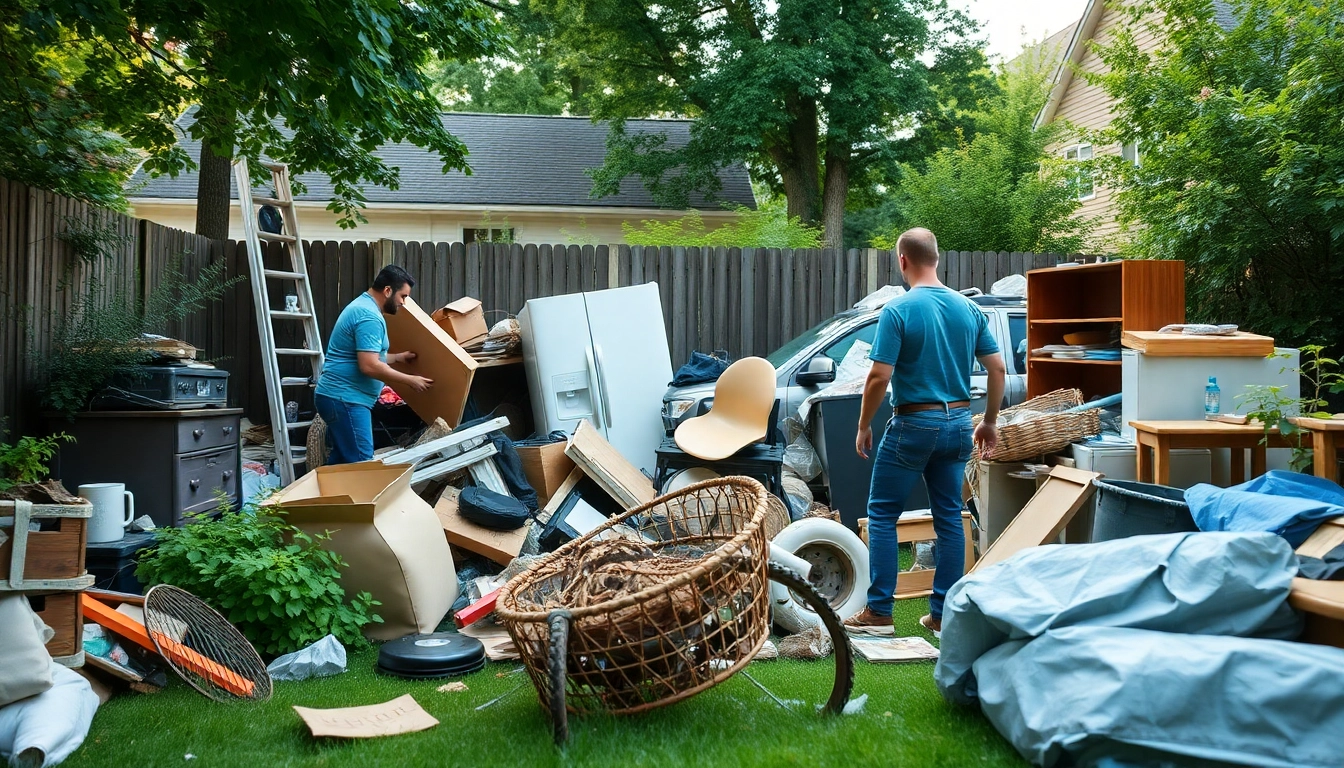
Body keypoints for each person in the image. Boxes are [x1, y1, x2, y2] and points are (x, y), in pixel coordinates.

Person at [844, 227, 1005, 637]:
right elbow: (998, 369)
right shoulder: (968, 309)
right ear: (937, 259)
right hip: (958, 424)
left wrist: (863, 424)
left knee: (883, 515)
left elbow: (879, 376)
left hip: (914, 424)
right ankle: (942, 616)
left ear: (903, 260)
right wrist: (989, 422)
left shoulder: (898, 310)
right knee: (949, 517)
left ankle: (879, 613)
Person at [314, 264, 433, 464]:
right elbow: (369, 366)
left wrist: (398, 357)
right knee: (361, 462)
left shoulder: (363, 306)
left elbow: (366, 356)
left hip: (339, 397)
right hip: (346, 399)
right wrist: (410, 380)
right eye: (403, 296)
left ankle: (320, 486)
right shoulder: (369, 317)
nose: (403, 303)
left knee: (342, 462)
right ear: (387, 291)